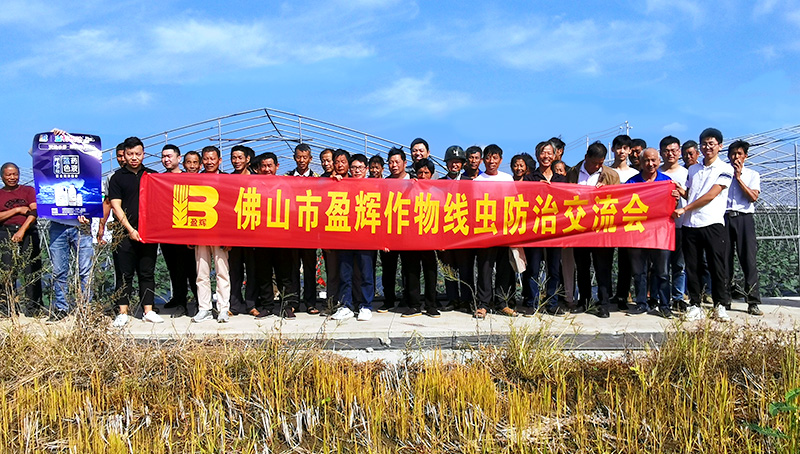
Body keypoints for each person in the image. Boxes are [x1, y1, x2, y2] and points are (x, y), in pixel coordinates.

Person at [672, 128, 734, 322]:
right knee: (692, 266)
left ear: (720, 146)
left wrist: (685, 208)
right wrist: (680, 192)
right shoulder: (693, 170)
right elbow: (692, 194)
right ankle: (695, 304)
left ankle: (719, 305)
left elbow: (710, 195)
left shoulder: (725, 169)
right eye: (704, 144)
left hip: (712, 222)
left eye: (711, 144)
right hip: (691, 224)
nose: (707, 147)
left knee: (717, 266)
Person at [108, 137, 164, 327]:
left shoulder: (152, 175)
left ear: (143, 154)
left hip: (148, 233)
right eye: (130, 154)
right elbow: (116, 206)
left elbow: (161, 203)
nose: (134, 158)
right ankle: (123, 312)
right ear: (124, 155)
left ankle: (148, 310)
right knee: (124, 274)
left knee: (147, 272)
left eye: (137, 154)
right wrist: (130, 229)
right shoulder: (117, 177)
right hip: (123, 233)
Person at [566, 141, 620, 318]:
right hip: (579, 227)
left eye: (600, 163)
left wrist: (607, 192)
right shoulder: (573, 172)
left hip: (602, 228)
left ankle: (603, 304)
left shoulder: (611, 175)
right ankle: (584, 301)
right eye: (594, 162)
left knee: (603, 267)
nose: (597, 166)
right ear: (586, 157)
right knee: (582, 266)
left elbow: (619, 200)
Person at [626, 148, 675, 318]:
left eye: (653, 160)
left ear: (659, 161)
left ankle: (664, 305)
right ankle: (641, 303)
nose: (650, 164)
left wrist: (676, 198)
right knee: (639, 272)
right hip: (638, 233)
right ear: (640, 162)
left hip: (661, 233)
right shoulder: (631, 183)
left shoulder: (667, 182)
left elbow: (674, 206)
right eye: (646, 160)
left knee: (662, 272)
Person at [520, 141, 565, 316]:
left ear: (555, 156)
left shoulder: (561, 179)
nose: (546, 156)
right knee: (533, 268)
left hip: (555, 230)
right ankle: (532, 302)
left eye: (549, 153)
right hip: (535, 231)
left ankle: (552, 303)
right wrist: (536, 188)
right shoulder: (530, 179)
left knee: (554, 269)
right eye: (542, 153)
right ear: (537, 155)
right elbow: (524, 201)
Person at [330, 153, 376, 321]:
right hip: (346, 237)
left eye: (360, 168)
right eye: (354, 167)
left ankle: (366, 305)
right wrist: (334, 180)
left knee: (366, 274)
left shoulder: (374, 186)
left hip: (366, 238)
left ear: (366, 169)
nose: (357, 171)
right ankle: (346, 306)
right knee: (345, 273)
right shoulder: (343, 183)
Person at [474, 144, 518, 319]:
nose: (491, 161)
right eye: (488, 157)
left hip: (504, 229)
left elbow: (514, 202)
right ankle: (483, 304)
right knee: (485, 267)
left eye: (495, 158)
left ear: (500, 160)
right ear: (483, 160)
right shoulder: (477, 181)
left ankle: (502, 303)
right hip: (485, 231)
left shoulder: (508, 179)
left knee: (504, 267)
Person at [253, 152, 297, 319]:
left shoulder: (285, 185)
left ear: (277, 166)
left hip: (282, 237)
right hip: (261, 237)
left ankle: (287, 306)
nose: (267, 169)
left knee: (284, 275)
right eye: (263, 166)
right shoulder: (254, 186)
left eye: (269, 166)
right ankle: (267, 306)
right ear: (258, 168)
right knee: (263, 274)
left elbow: (293, 209)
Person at [192, 146, 232, 323]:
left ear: (219, 160)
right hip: (200, 232)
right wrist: (189, 236)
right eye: (206, 159)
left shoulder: (228, 180)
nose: (209, 162)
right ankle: (204, 308)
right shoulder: (195, 180)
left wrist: (230, 237)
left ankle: (223, 309)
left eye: (212, 159)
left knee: (222, 272)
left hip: (221, 234)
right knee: (202, 272)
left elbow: (232, 210)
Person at [159, 144, 199, 317]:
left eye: (169, 156)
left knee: (191, 270)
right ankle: (179, 300)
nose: (166, 160)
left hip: (186, 232)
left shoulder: (188, 178)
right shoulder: (158, 179)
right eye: (163, 157)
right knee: (174, 269)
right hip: (166, 233)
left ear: (178, 159)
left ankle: (199, 302)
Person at [0, 162, 43, 317]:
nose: (12, 177)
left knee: (31, 268)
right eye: (9, 175)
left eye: (15, 174)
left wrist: (22, 230)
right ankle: (7, 307)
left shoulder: (28, 190)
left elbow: (34, 211)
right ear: (2, 177)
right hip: (5, 231)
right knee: (7, 269)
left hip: (28, 231)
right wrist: (17, 209)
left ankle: (34, 308)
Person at [725, 140, 763, 316]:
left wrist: (739, 178)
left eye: (739, 154)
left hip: (744, 218)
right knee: (724, 260)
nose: (736, 157)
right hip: (725, 217)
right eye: (733, 154)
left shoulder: (752, 175)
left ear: (745, 156)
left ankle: (753, 301)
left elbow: (752, 197)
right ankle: (724, 299)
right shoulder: (722, 174)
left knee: (748, 260)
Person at [400, 158, 439, 318]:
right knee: (412, 272)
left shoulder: (438, 191)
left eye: (426, 173)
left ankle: (431, 305)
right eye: (420, 172)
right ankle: (414, 305)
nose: (423, 175)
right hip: (412, 238)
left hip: (430, 238)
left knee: (431, 272)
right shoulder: (409, 189)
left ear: (432, 174)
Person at [437, 146, 474, 311]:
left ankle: (466, 300)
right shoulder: (439, 183)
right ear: (446, 163)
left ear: (463, 164)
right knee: (448, 267)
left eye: (458, 162)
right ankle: (452, 299)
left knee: (465, 268)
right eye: (451, 162)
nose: (454, 165)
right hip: (445, 231)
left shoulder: (469, 182)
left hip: (463, 231)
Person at [227, 145, 262, 317]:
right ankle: (234, 305)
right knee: (235, 271)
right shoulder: (227, 180)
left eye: (240, 157)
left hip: (253, 232)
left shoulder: (258, 179)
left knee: (253, 270)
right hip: (233, 233)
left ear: (248, 159)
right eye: (234, 157)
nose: (236, 161)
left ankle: (251, 304)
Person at [285, 143, 320, 314]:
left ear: (310, 159)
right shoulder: (286, 178)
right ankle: (293, 302)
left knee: (309, 268)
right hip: (292, 230)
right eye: (298, 157)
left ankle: (310, 302)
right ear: (294, 158)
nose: (301, 160)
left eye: (305, 157)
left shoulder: (318, 178)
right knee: (292, 268)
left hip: (309, 230)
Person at [378, 147, 410, 313]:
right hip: (389, 232)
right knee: (388, 269)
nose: (394, 165)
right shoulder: (384, 183)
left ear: (405, 163)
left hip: (408, 232)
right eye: (391, 162)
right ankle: (388, 299)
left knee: (408, 268)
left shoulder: (414, 181)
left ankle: (407, 299)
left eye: (397, 162)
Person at [659, 136, 689, 311]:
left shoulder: (686, 173)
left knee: (679, 265)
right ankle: (660, 298)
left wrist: (681, 192)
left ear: (679, 152)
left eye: (673, 150)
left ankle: (678, 297)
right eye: (666, 151)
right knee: (660, 267)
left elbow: (693, 197)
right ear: (661, 153)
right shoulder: (656, 173)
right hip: (660, 228)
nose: (670, 154)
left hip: (680, 225)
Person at [609, 135, 637, 312]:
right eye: (618, 147)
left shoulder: (634, 174)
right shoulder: (605, 171)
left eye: (625, 148)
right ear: (613, 149)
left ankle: (622, 295)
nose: (621, 151)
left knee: (625, 261)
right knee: (605, 260)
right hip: (608, 220)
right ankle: (606, 294)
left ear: (629, 151)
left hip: (627, 222)